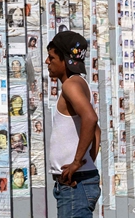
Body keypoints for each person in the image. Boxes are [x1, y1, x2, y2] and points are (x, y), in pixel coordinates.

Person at [44, 30, 101, 216]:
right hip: (78, 183)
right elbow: (96, 132)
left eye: (51, 57)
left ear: (65, 60)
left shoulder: (71, 85)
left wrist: (77, 163)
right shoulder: (81, 83)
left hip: (76, 186)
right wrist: (86, 163)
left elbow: (91, 119)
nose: (47, 62)